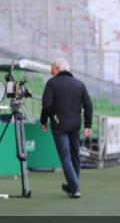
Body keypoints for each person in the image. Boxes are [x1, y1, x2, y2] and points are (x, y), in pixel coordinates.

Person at [40, 58, 93, 198]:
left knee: (65, 156)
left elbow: (46, 105)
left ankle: (75, 186)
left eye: (52, 68)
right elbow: (88, 106)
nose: (50, 71)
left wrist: (44, 121)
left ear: (57, 68)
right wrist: (88, 125)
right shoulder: (79, 84)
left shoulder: (52, 83)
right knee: (75, 156)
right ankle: (72, 186)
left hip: (59, 125)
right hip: (76, 125)